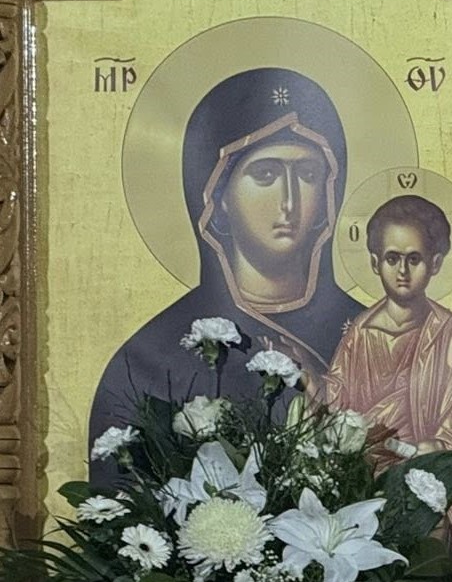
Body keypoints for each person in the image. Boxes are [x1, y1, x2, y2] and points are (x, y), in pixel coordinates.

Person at [90, 67, 364, 484]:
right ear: (216, 197)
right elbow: (118, 501)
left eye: (308, 175)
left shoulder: (382, 337)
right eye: (266, 174)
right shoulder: (150, 360)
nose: (290, 201)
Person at [327, 193, 452, 545]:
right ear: (375, 262)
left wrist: (439, 446)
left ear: (435, 263)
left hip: (429, 478)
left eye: (414, 259)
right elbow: (336, 407)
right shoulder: (358, 336)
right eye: (392, 258)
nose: (402, 271)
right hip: (362, 477)